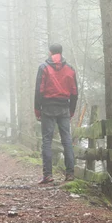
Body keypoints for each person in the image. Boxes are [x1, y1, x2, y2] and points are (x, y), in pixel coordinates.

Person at [34, 43, 78, 184]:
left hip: (47, 107)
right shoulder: (70, 69)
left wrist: (37, 109)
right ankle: (70, 174)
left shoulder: (44, 68)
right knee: (67, 141)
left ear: (50, 52)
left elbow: (39, 90)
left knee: (47, 140)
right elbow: (74, 92)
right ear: (61, 52)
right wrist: (71, 110)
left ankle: (48, 175)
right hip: (64, 107)